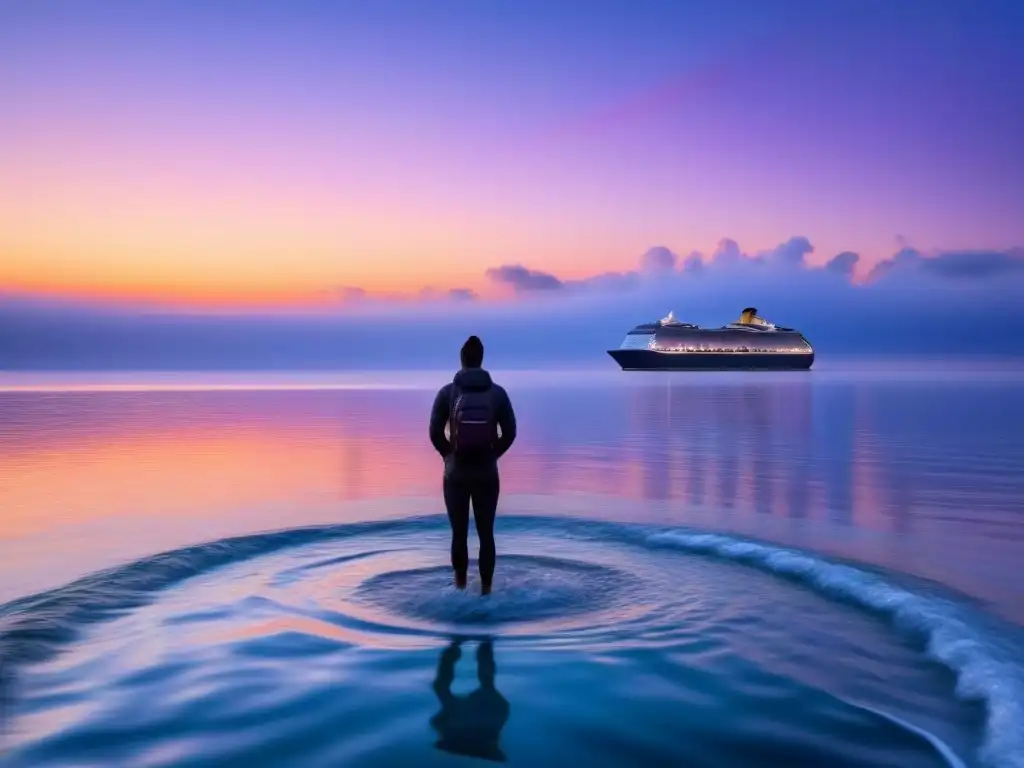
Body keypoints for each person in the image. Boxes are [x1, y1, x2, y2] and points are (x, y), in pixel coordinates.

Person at [429, 335, 516, 595]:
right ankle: (487, 592)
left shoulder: (447, 393)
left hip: (455, 473)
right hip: (487, 473)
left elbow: (434, 433)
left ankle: (459, 589)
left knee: (459, 533)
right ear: (481, 359)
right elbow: (510, 432)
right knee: (486, 533)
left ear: (462, 360)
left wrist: (449, 456)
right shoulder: (497, 393)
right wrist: (493, 455)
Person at [430, 638, 510, 762]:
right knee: (486, 684)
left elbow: (436, 722)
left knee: (486, 684)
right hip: (484, 717)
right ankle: (482, 642)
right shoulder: (448, 727)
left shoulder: (448, 727)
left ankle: (479, 643)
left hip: (483, 718)